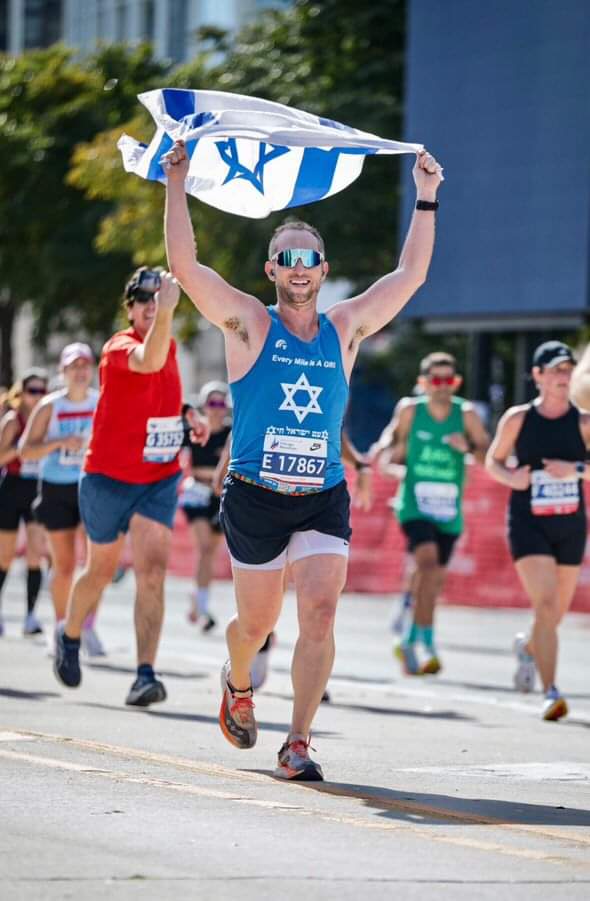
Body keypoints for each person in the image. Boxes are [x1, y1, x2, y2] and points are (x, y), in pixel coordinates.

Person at [164, 137, 443, 780]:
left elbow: (410, 278)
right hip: (255, 496)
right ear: (272, 270)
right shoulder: (247, 325)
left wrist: (426, 197)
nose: (298, 267)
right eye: (286, 258)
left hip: (321, 495)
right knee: (256, 624)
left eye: (309, 259)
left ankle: (298, 741)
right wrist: (176, 183)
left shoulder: (346, 327)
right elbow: (187, 267)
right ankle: (238, 682)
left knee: (319, 609)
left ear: (322, 269)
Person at [52, 267, 208, 706]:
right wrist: (169, 311)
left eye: (156, 297)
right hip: (107, 479)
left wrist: (186, 412)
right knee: (100, 570)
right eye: (143, 299)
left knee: (153, 572)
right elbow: (149, 363)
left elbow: (161, 389)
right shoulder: (118, 347)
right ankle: (69, 634)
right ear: (130, 307)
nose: (151, 305)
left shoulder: (170, 345)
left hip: (157, 478)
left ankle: (144, 675)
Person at [486, 340, 590, 721]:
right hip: (529, 524)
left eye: (567, 370)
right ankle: (552, 691)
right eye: (555, 370)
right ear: (538, 375)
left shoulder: (583, 422)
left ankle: (528, 645)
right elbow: (492, 461)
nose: (563, 377)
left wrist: (575, 470)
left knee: (554, 615)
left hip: (570, 524)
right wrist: (511, 477)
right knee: (545, 605)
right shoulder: (518, 419)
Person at [372, 352, 489, 675]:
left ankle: (412, 637)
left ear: (456, 382)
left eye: (447, 380)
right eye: (435, 380)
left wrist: (466, 447)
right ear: (424, 383)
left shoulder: (466, 415)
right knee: (425, 561)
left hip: (449, 509)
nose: (442, 386)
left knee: (434, 580)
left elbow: (487, 455)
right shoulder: (411, 410)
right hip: (414, 504)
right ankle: (428, 645)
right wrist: (382, 453)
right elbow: (391, 437)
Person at [19, 343, 104, 656]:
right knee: (65, 565)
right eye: (73, 367)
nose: (80, 372)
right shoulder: (50, 406)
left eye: (85, 366)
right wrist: (59, 442)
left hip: (92, 484)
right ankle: (60, 627)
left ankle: (89, 625)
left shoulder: (102, 401)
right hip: (56, 488)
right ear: (63, 372)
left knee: (97, 564)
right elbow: (26, 450)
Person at [179, 382, 232, 631]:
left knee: (210, 551)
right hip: (197, 492)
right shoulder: (195, 429)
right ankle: (201, 605)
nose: (217, 409)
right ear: (204, 405)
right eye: (212, 403)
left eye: (221, 403)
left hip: (221, 495)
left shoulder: (232, 431)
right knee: (203, 548)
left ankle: (198, 598)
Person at [0, 370, 48, 636]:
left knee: (35, 554)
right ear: (22, 394)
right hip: (12, 488)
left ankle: (30, 616)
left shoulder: (47, 417)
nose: (37, 396)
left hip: (37, 489)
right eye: (33, 391)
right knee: (5, 557)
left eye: (42, 391)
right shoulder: (12, 420)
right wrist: (22, 448)